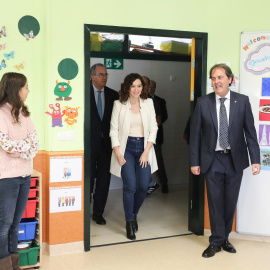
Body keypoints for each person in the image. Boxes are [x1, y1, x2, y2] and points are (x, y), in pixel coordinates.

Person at [190, 63, 261, 258]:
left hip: (234, 160)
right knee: (214, 202)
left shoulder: (242, 101)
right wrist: (194, 161)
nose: (216, 82)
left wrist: (255, 159)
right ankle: (215, 241)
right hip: (211, 160)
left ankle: (225, 238)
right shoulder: (203, 102)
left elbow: (250, 133)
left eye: (220, 77)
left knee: (230, 201)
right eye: (213, 78)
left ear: (230, 79)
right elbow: (195, 135)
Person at [110, 73, 158, 240]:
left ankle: (134, 213)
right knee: (130, 186)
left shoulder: (149, 103)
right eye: (133, 86)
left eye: (139, 86)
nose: (136, 89)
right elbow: (113, 130)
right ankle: (129, 221)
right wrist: (117, 152)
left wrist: (146, 152)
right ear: (127, 87)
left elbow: (154, 128)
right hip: (126, 149)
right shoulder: (119, 104)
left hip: (144, 148)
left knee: (143, 186)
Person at [0, 72, 39, 270]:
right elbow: (6, 145)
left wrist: (20, 151)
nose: (28, 90)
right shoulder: (0, 113)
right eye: (26, 87)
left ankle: (13, 265)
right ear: (16, 90)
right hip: (7, 178)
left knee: (15, 224)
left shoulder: (24, 113)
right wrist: (25, 148)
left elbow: (35, 144)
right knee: (4, 226)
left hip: (25, 175)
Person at [90, 63, 119, 225]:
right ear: (92, 76)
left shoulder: (113, 95)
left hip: (107, 146)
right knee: (88, 179)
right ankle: (83, 210)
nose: (104, 77)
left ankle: (98, 213)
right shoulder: (84, 93)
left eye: (106, 74)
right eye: (101, 74)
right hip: (88, 145)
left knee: (103, 180)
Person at [147, 80, 169, 193]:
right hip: (143, 137)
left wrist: (153, 125)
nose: (150, 89)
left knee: (158, 160)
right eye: (149, 86)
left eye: (152, 87)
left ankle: (164, 183)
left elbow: (163, 117)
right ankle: (147, 185)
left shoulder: (159, 101)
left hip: (156, 135)